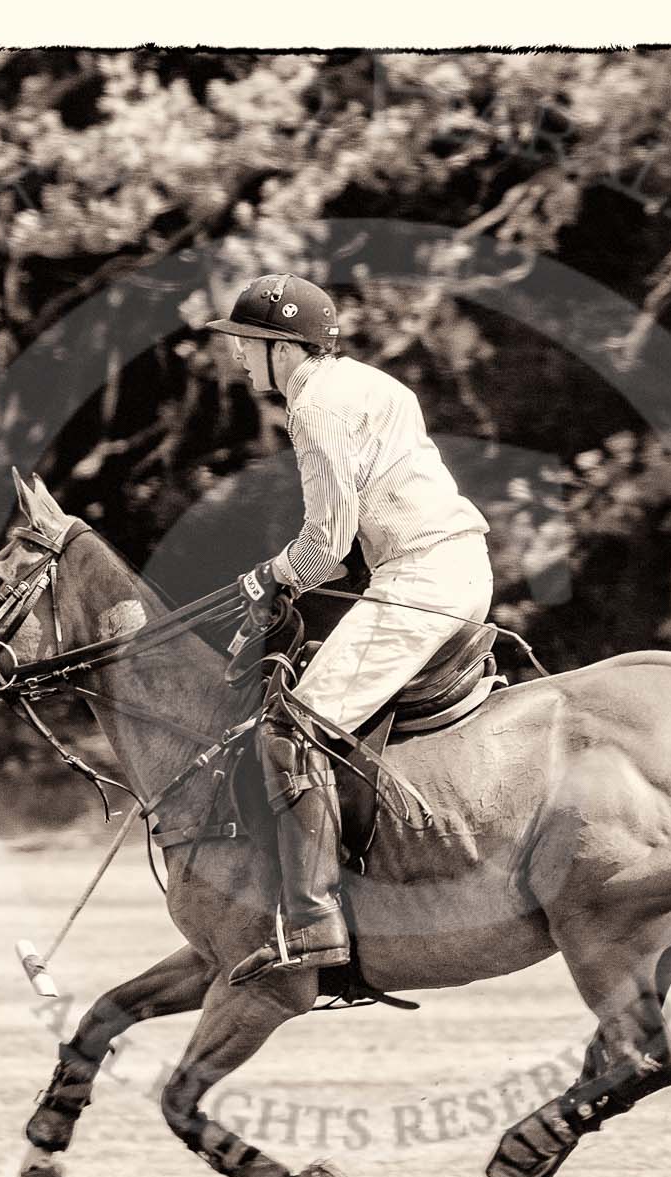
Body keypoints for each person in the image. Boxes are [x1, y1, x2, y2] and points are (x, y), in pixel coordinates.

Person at [202, 272, 493, 986]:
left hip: (420, 582)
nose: (236, 355)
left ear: (282, 346)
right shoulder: (373, 384)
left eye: (246, 342)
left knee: (291, 725)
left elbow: (327, 541)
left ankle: (313, 922)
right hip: (451, 566)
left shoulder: (317, 408)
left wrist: (272, 575)